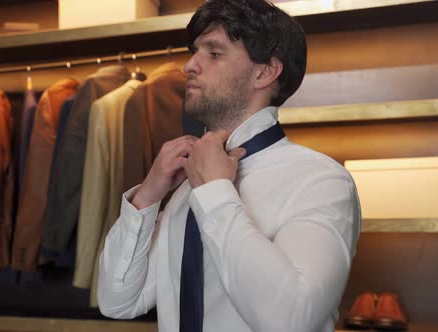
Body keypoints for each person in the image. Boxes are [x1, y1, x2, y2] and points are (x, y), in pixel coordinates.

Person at [97, 1, 361, 331]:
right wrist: (147, 196)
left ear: (264, 72)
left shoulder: (320, 181)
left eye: (214, 53)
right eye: (194, 52)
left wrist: (215, 193)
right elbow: (118, 301)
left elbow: (292, 319)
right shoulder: (185, 188)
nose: (189, 66)